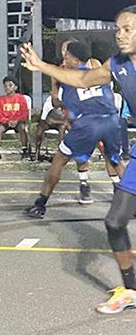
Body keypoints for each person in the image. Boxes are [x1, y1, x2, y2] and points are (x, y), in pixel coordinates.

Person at [20, 5, 136, 314]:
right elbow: (83, 80)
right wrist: (42, 66)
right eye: (118, 28)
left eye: (127, 29)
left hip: (96, 125)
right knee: (114, 221)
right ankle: (131, 290)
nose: (119, 33)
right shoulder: (118, 64)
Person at [23, 41, 123, 217]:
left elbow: (56, 101)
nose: (64, 58)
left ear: (75, 59)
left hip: (87, 123)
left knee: (59, 160)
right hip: (110, 120)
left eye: (67, 56)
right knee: (116, 161)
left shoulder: (67, 75)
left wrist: (56, 85)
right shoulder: (97, 70)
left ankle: (40, 204)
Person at [0, 77, 30, 160]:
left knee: (22, 128)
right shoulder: (1, 100)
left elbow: (25, 113)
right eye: (5, 86)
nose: (7, 88)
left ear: (15, 87)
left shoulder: (21, 98)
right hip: (6, 122)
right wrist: (7, 121)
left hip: (18, 121)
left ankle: (25, 150)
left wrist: (17, 120)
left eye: (10, 85)